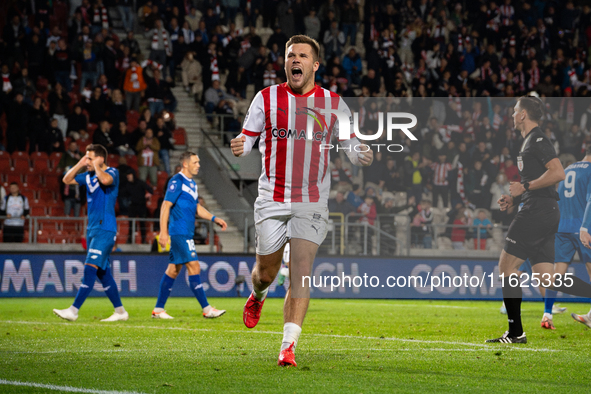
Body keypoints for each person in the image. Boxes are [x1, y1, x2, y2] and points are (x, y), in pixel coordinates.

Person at [230, 35, 373, 367]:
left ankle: (287, 346)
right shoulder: (266, 98)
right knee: (265, 273)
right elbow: (247, 138)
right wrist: (240, 145)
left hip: (311, 201)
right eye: (290, 55)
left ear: (314, 65)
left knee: (301, 272)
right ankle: (259, 294)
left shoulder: (334, 103)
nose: (296, 60)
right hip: (271, 199)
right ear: (285, 63)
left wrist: (359, 154)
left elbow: (350, 142)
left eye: (302, 56)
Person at [486, 96, 591, 344]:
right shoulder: (530, 142)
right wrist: (515, 199)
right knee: (546, 278)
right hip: (543, 210)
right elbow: (539, 184)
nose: (512, 115)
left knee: (507, 268)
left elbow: (558, 173)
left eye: (514, 111)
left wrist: (524, 187)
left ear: (523, 115)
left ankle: (515, 333)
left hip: (537, 212)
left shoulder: (538, 140)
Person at [53, 144, 129, 322]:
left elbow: (105, 181)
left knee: (90, 268)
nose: (87, 161)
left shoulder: (112, 172)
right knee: (103, 272)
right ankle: (120, 312)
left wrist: (95, 166)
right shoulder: (87, 176)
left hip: (105, 228)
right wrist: (80, 164)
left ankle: (73, 310)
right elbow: (66, 180)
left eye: (90, 157)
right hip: (92, 228)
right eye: (86, 157)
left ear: (101, 159)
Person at [152, 152, 228, 319]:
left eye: (198, 162)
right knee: (194, 266)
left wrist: (214, 218)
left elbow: (197, 208)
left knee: (173, 270)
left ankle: (158, 309)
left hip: (186, 232)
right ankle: (207, 309)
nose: (198, 165)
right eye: (195, 162)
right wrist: (163, 232)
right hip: (179, 232)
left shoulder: (192, 184)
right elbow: (165, 206)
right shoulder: (176, 181)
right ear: (185, 164)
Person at [543, 147, 591, 329]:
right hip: (582, 227)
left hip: (562, 227)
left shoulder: (568, 169)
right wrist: (585, 227)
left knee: (557, 274)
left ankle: (547, 314)